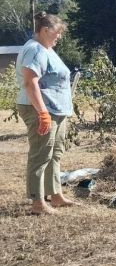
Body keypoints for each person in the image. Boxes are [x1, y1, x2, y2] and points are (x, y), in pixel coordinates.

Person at [15, 12, 78, 215]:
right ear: (45, 30)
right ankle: (38, 202)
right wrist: (42, 113)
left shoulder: (46, 48)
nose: (59, 36)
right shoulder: (35, 50)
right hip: (42, 109)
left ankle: (55, 195)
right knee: (41, 154)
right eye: (57, 32)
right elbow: (30, 82)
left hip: (56, 110)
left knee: (55, 153)